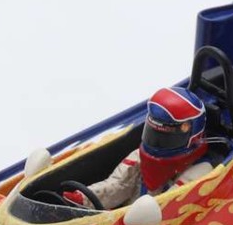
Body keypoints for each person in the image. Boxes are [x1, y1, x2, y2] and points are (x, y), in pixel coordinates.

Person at [64, 87, 213, 209]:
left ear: (192, 136)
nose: (157, 143)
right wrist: (82, 199)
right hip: (120, 221)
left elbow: (168, 209)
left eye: (166, 137)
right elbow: (117, 185)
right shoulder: (139, 156)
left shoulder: (200, 173)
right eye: (154, 133)